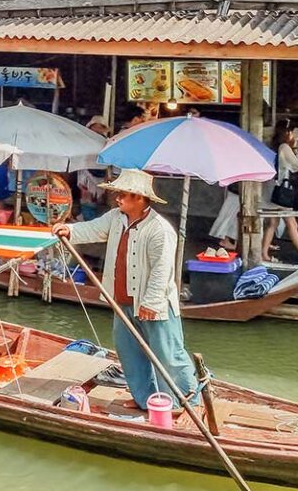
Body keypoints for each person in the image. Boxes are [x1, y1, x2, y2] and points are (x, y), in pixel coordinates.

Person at [51, 168, 199, 412]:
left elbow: (162, 271)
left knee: (168, 354)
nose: (117, 199)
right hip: (122, 300)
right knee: (130, 353)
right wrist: (70, 230)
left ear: (139, 199)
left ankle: (185, 399)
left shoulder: (159, 230)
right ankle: (145, 399)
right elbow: (93, 229)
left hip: (154, 305)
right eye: (118, 194)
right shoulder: (116, 218)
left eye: (123, 195)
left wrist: (150, 303)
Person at [261, 119, 298, 265]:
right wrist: (296, 149)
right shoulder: (285, 147)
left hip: (269, 187)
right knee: (292, 223)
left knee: (272, 222)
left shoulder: (270, 144)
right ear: (288, 133)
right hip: (281, 191)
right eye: (292, 132)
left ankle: (263, 254)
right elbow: (297, 166)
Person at [76, 115, 111, 220]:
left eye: (100, 127)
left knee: (98, 198)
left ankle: (92, 220)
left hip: (101, 173)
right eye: (95, 126)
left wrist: (107, 175)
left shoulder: (107, 142)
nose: (97, 129)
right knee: (86, 195)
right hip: (85, 172)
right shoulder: (83, 141)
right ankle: (87, 218)